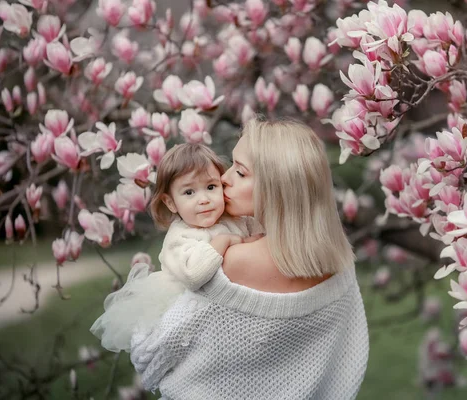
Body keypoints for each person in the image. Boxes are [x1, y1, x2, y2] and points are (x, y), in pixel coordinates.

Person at [130, 118, 370, 400]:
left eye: (241, 173)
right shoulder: (340, 260)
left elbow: (152, 356)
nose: (224, 178)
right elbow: (350, 359)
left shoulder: (234, 260)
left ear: (278, 186)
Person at [90, 143, 262, 353]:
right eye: (189, 192)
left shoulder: (236, 219)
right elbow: (194, 275)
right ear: (171, 202)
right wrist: (223, 242)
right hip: (189, 316)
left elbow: (260, 237)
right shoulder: (180, 237)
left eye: (211, 187)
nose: (204, 199)